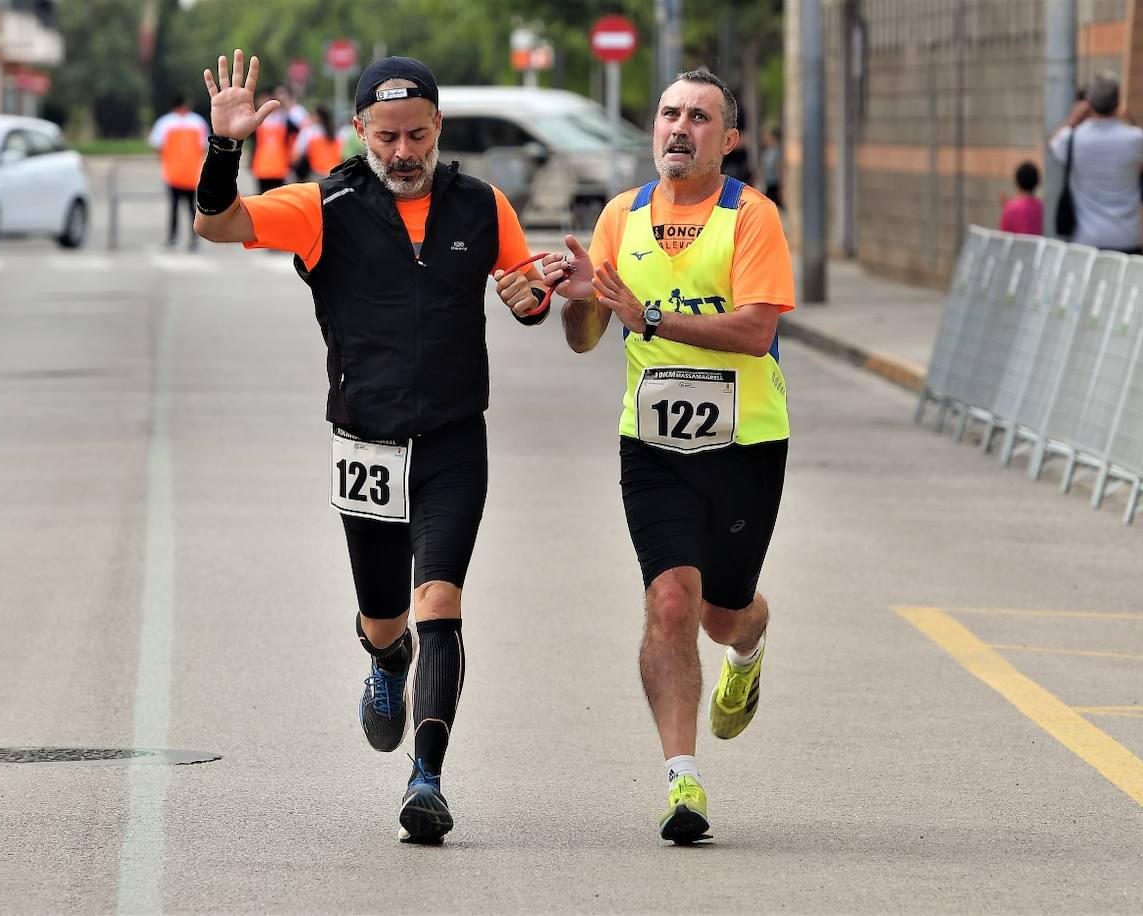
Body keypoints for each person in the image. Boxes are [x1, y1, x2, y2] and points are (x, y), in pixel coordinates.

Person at [193, 51, 548, 844]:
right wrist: (226, 148)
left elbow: (526, 294)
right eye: (386, 136)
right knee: (386, 619)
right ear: (360, 131)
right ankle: (385, 663)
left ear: (438, 128)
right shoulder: (329, 205)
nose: (403, 152)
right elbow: (217, 223)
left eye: (417, 134)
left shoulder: (482, 207)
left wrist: (531, 299)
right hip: (368, 445)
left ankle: (427, 777)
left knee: (441, 603)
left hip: (457, 438)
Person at [541, 69, 794, 844]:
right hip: (652, 443)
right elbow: (588, 339)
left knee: (720, 615)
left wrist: (651, 317)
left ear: (728, 139)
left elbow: (755, 330)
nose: (679, 128)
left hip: (746, 442)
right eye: (668, 114)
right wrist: (582, 296)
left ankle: (749, 645)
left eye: (699, 117)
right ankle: (682, 781)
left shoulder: (751, 217)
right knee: (671, 603)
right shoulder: (622, 215)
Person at [1048, 73, 1143, 254]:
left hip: (1087, 239)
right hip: (1128, 237)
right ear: (1118, 102)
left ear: (1088, 102)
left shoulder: (1073, 138)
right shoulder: (1136, 138)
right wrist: (1128, 117)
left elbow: (1053, 143)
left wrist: (1074, 117)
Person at [148, 92, 209, 249]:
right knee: (192, 207)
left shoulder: (165, 123)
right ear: (185, 104)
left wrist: (164, 158)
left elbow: (155, 144)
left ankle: (173, 237)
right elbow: (204, 146)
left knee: (174, 207)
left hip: (172, 172)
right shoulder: (197, 122)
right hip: (192, 173)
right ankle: (194, 238)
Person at [250, 91, 290, 193]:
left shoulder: (283, 119)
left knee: (277, 197)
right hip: (262, 165)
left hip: (279, 166)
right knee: (262, 197)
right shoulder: (256, 120)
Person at [999, 161, 1044, 236]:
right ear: (1037, 182)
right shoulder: (1042, 207)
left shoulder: (1011, 209)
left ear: (1016, 182)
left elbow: (1003, 237)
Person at [759, 125, 783, 208]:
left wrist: (781, 186)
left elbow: (779, 168)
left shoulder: (777, 151)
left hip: (774, 183)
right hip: (767, 182)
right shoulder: (766, 151)